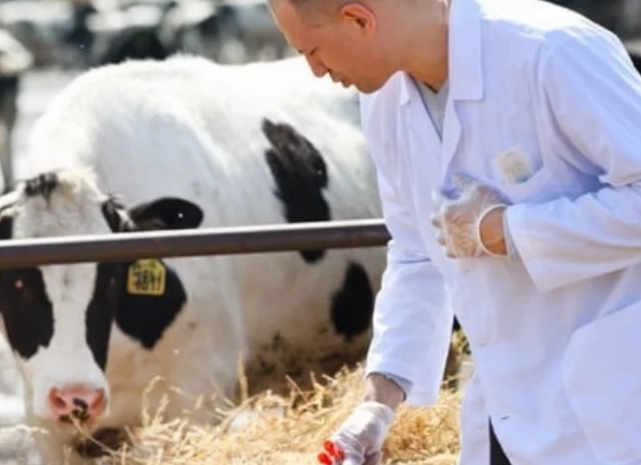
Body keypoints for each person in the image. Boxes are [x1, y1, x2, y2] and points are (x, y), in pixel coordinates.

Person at [266, 0, 641, 464]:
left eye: (313, 50)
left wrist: (507, 230)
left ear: (359, 19)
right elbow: (417, 251)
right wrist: (380, 402)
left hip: (615, 412)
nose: (316, 70)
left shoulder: (550, 51)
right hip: (504, 414)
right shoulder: (384, 100)